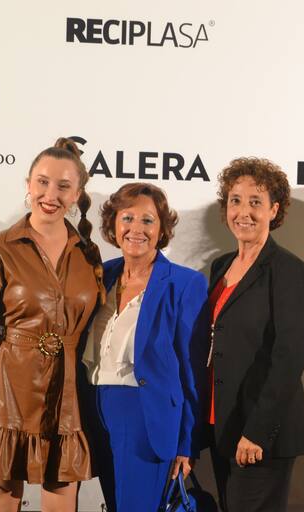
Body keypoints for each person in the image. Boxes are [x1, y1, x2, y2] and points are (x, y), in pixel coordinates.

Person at [0, 137, 105, 511]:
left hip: (68, 401)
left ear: (77, 194)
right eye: (42, 182)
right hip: (6, 399)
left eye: (63, 186)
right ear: (28, 184)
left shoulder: (88, 253)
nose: (51, 195)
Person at [80, 183, 208, 512]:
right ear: (113, 225)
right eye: (127, 218)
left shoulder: (184, 283)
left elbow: (192, 370)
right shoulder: (101, 275)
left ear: (162, 229)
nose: (136, 229)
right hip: (96, 410)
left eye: (147, 220)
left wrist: (187, 443)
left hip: (145, 416)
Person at [206, 157, 304, 512]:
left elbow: (289, 358)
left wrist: (257, 431)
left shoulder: (288, 270)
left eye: (256, 202)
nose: (244, 212)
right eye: (235, 200)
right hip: (223, 424)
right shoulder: (221, 266)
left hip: (260, 432)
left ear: (274, 210)